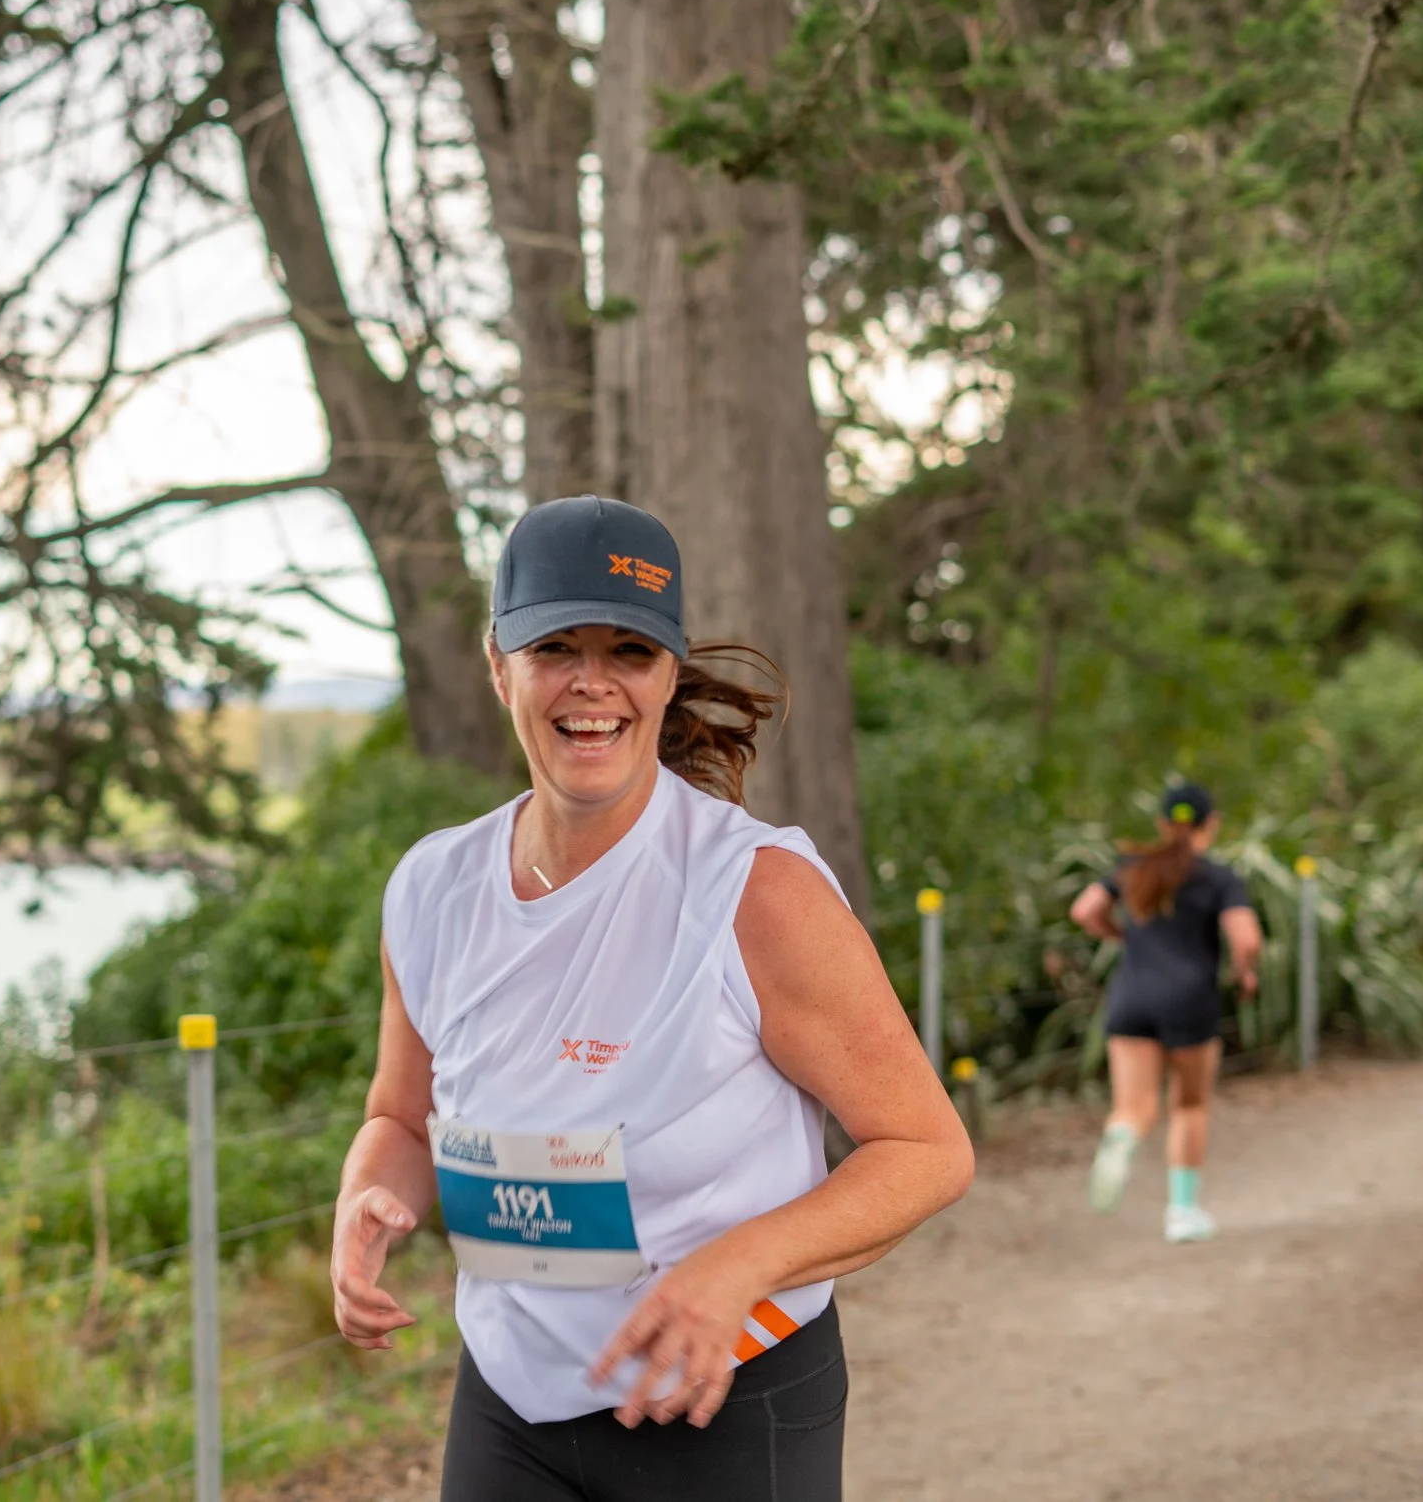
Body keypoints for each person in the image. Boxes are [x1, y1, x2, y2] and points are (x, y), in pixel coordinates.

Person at [328, 495, 973, 1502]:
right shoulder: (430, 888)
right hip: (509, 1397)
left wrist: (739, 1266)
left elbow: (926, 1151)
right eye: (555, 648)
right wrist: (368, 1197)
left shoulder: (753, 892)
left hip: (723, 1400)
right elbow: (400, 1118)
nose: (592, 684)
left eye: (629, 650)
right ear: (499, 664)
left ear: (669, 675)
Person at [1068, 783, 1263, 1245]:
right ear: (1210, 824)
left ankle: (1122, 1137)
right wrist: (1245, 972)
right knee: (1189, 1105)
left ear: (1161, 824)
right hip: (1190, 1000)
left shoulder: (1132, 869)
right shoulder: (1219, 879)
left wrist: (1117, 934)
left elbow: (1084, 910)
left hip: (1132, 997)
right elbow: (1248, 938)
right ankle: (1181, 1211)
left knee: (1134, 1106)